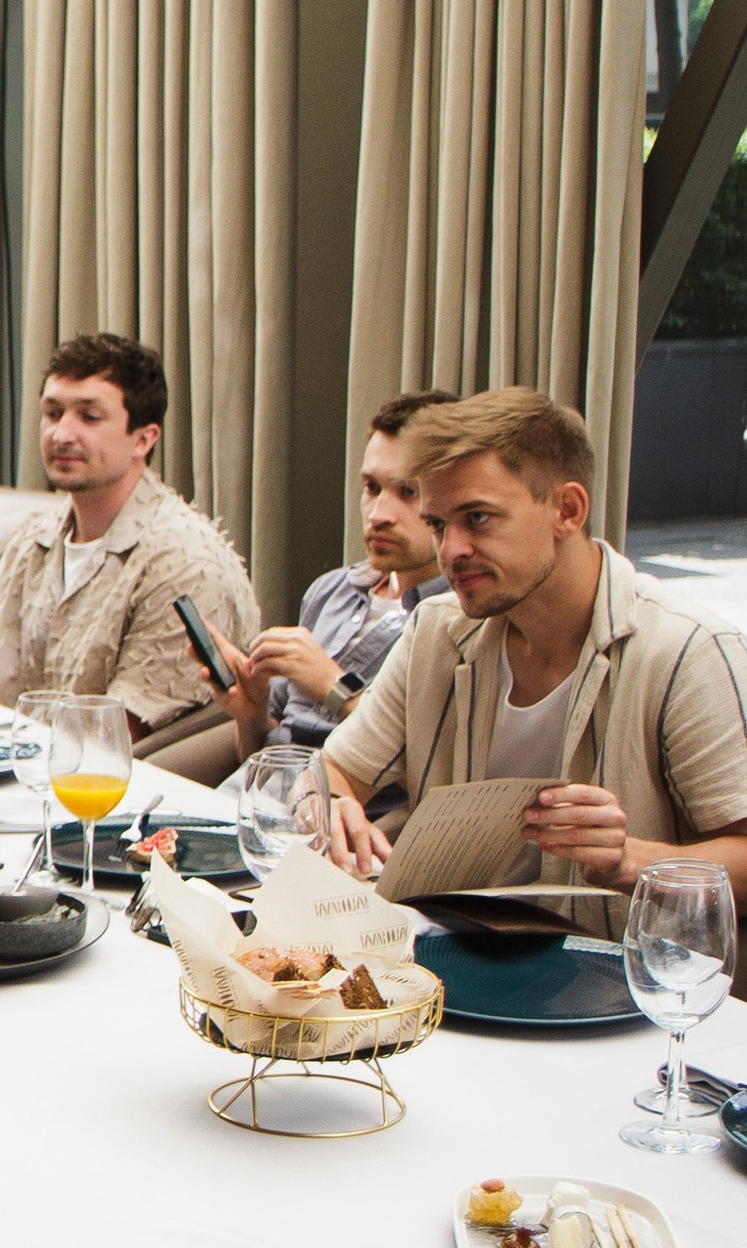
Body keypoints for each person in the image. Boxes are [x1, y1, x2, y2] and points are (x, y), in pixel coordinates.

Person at [317, 388, 747, 914]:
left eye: (477, 518)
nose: (450, 551)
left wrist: (629, 860)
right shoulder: (435, 630)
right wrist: (334, 806)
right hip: (448, 954)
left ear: (567, 509)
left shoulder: (686, 652)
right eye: (437, 524)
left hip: (615, 976)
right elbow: (333, 772)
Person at [0, 332, 259, 727]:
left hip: (122, 779)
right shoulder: (34, 540)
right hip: (14, 759)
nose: (61, 435)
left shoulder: (184, 561)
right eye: (53, 413)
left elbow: (120, 732)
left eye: (89, 417)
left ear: (143, 439)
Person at [209, 391, 453, 765]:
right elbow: (263, 755)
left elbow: (424, 769)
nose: (378, 514)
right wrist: (251, 713)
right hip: (258, 796)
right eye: (371, 488)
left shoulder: (454, 619)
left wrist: (334, 688)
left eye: (408, 492)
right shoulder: (332, 591)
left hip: (341, 813)